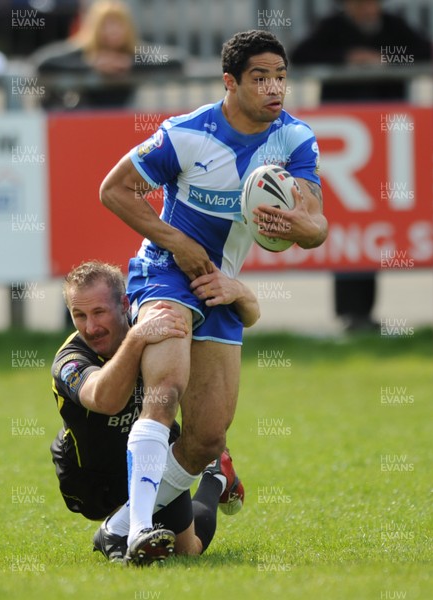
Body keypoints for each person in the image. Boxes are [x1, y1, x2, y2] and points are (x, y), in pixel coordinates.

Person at [100, 29, 327, 564]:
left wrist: (299, 221)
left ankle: (121, 523)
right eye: (260, 77)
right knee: (167, 385)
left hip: (221, 287)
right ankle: (136, 539)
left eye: (281, 76)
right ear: (230, 82)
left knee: (206, 438)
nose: (275, 88)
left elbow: (316, 228)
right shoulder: (186, 134)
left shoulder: (294, 140)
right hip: (165, 273)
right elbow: (114, 189)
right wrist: (176, 243)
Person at [51, 260, 257, 563]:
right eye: (78, 315)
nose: (90, 327)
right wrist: (136, 339)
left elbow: (249, 315)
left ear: (124, 304)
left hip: (153, 457)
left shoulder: (157, 320)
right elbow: (105, 400)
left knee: (188, 551)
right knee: (139, 526)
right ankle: (212, 472)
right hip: (89, 475)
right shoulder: (69, 358)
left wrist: (239, 291)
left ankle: (215, 476)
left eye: (99, 312)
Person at [291, 0, 432, 332]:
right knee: (345, 225)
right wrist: (346, 60)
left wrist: (384, 61)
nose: (367, 10)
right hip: (344, 150)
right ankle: (351, 314)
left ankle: (364, 313)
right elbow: (300, 56)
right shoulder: (332, 29)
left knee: (375, 227)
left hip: (389, 148)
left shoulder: (395, 27)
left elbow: (425, 52)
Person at [32, 0, 182, 110]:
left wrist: (129, 64)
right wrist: (91, 65)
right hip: (84, 121)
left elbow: (176, 60)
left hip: (122, 121)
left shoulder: (135, 54)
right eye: (107, 25)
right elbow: (43, 62)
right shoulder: (83, 51)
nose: (113, 31)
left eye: (118, 24)